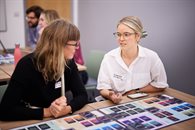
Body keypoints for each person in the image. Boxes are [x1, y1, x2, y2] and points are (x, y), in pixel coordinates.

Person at [0, 19, 88, 121]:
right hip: (31, 118)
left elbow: (82, 95)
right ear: (60, 45)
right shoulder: (27, 65)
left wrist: (68, 109)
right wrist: (47, 112)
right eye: (75, 44)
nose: (77, 48)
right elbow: (5, 110)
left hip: (55, 119)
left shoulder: (68, 62)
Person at [97, 16, 169, 104]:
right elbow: (102, 87)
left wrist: (136, 91)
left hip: (142, 103)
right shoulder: (109, 57)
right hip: (117, 104)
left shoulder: (151, 57)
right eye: (118, 34)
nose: (121, 39)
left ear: (138, 36)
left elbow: (161, 84)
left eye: (126, 34)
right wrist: (110, 95)